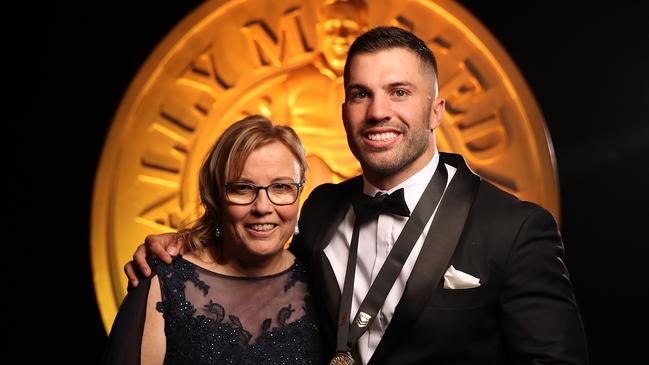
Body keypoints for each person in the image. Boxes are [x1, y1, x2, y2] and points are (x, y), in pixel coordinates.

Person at [126, 27, 589, 364]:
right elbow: (252, 257)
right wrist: (183, 246)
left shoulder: (516, 228)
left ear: (436, 111)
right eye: (360, 94)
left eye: (399, 92)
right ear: (345, 112)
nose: (378, 111)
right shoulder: (320, 209)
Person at [104, 115, 324, 364]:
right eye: (242, 188)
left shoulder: (323, 279)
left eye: (281, 187)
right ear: (215, 196)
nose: (262, 207)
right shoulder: (163, 283)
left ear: (299, 192)